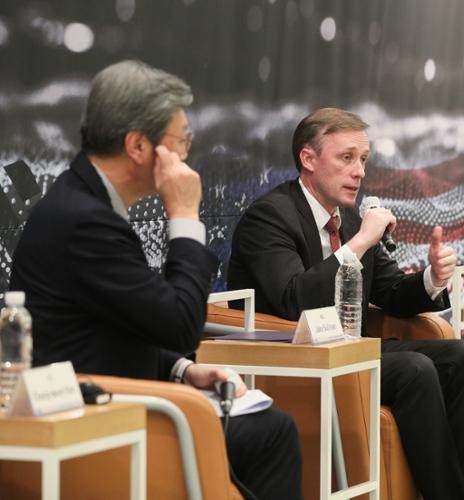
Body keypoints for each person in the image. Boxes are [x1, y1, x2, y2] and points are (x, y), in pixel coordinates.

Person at [9, 60, 302, 500]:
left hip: (118, 395)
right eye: (180, 140)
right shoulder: (84, 221)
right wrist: (184, 215)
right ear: (139, 145)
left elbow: (124, 322)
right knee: (273, 433)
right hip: (94, 420)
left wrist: (182, 368)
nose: (186, 153)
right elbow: (180, 324)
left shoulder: (84, 203)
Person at [227, 107, 464, 500]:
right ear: (308, 159)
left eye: (363, 159)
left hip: (352, 350)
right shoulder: (269, 218)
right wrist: (359, 242)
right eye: (346, 158)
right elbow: (294, 299)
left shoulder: (346, 217)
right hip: (296, 355)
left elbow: (391, 293)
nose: (359, 171)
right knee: (415, 369)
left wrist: (433, 277)